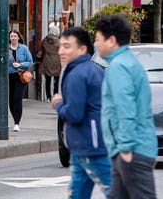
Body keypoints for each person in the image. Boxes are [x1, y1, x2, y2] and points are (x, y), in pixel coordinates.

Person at [94, 14, 157, 198]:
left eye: (98, 40)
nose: (96, 44)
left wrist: (126, 148)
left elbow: (125, 109)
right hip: (128, 149)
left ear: (111, 40)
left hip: (132, 151)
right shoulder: (126, 62)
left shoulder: (119, 67)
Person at [52, 27, 111, 198]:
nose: (61, 51)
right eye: (61, 46)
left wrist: (58, 104)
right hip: (85, 145)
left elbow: (74, 114)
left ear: (83, 49)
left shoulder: (78, 74)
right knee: (77, 194)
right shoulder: (94, 70)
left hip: (90, 146)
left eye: (67, 46)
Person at [7, 29, 33, 132]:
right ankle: (15, 118)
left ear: (18, 37)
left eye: (15, 36)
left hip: (21, 76)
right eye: (11, 36)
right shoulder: (6, 49)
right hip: (9, 75)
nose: (13, 38)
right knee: (11, 100)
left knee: (18, 98)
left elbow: (30, 62)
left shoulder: (24, 48)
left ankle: (17, 123)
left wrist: (20, 64)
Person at [37, 24, 62, 102]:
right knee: (56, 81)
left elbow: (42, 49)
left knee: (47, 80)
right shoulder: (59, 41)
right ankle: (55, 96)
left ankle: (48, 97)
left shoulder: (45, 40)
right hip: (57, 62)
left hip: (47, 61)